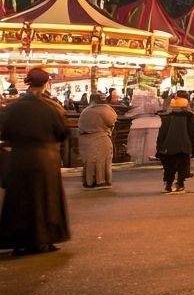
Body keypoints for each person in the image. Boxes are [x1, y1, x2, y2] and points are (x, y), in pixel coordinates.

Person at [0, 67, 71, 256]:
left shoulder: (12, 107)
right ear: (46, 83)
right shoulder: (51, 107)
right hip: (45, 158)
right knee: (45, 199)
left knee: (20, 200)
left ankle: (19, 241)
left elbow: (5, 132)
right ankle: (43, 240)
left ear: (27, 82)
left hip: (19, 158)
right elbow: (62, 132)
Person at [156, 93, 194, 193]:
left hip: (168, 146)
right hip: (184, 145)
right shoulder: (190, 116)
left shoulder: (166, 117)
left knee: (169, 166)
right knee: (183, 165)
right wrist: (193, 148)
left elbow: (162, 133)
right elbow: (192, 133)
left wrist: (159, 147)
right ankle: (180, 184)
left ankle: (168, 185)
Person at [77, 92, 118, 189]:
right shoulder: (104, 109)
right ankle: (101, 181)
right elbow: (111, 121)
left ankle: (89, 181)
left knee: (89, 162)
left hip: (84, 139)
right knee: (101, 161)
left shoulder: (85, 111)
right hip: (100, 137)